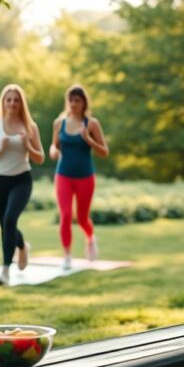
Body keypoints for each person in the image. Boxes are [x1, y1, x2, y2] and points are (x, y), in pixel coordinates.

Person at [0, 84, 45, 285]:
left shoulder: (30, 127)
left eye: (16, 100)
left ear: (21, 103)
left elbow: (40, 158)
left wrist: (28, 146)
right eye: (9, 99)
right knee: (6, 224)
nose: (12, 103)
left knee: (9, 220)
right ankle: (22, 247)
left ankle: (5, 271)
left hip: (21, 179)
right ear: (3, 102)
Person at [48, 84, 109, 269]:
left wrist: (89, 140)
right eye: (71, 100)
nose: (74, 104)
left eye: (78, 100)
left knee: (82, 218)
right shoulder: (59, 123)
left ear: (84, 103)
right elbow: (54, 146)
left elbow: (104, 151)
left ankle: (90, 238)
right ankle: (67, 256)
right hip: (63, 175)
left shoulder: (92, 124)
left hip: (85, 177)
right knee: (66, 215)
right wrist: (53, 153)